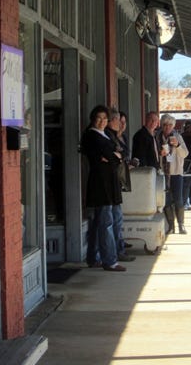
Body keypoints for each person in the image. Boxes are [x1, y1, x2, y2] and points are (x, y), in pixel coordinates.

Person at [79, 105, 126, 272]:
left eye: (105, 119)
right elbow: (111, 157)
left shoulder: (105, 134)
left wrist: (115, 156)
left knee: (98, 222)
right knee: (105, 222)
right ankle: (110, 261)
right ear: (93, 119)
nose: (102, 121)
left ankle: (93, 257)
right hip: (100, 183)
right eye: (99, 118)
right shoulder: (91, 135)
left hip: (110, 182)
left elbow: (121, 153)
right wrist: (114, 156)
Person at [106, 107, 135, 262]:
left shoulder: (117, 137)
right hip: (110, 181)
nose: (121, 125)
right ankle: (117, 252)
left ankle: (118, 249)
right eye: (119, 121)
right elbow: (112, 156)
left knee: (115, 218)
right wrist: (119, 155)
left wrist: (120, 155)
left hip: (116, 181)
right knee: (113, 220)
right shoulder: (108, 136)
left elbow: (122, 154)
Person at [156, 114, 189, 234]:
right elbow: (154, 154)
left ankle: (181, 225)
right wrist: (160, 154)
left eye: (170, 125)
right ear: (161, 125)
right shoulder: (157, 137)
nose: (167, 127)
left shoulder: (177, 137)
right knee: (166, 200)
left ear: (173, 126)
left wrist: (178, 146)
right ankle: (171, 226)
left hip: (176, 173)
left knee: (178, 199)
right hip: (162, 173)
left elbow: (185, 154)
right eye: (165, 124)